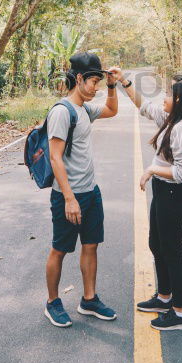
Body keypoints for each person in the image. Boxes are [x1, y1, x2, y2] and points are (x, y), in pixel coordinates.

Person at [120, 73, 182, 331]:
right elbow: (144, 106)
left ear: (179, 100)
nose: (164, 98)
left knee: (172, 253)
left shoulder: (180, 129)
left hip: (172, 195)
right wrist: (124, 82)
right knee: (156, 244)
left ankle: (180, 314)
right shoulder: (170, 120)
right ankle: (164, 297)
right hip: (163, 192)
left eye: (168, 94)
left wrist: (152, 170)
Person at [44, 52, 121, 328]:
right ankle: (52, 302)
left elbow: (112, 110)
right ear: (79, 78)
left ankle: (89, 299)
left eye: (100, 81)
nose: (97, 87)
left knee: (91, 245)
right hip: (69, 196)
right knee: (60, 249)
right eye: (94, 81)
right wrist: (69, 198)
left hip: (91, 192)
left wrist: (113, 86)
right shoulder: (62, 112)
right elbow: (55, 157)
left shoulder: (85, 109)